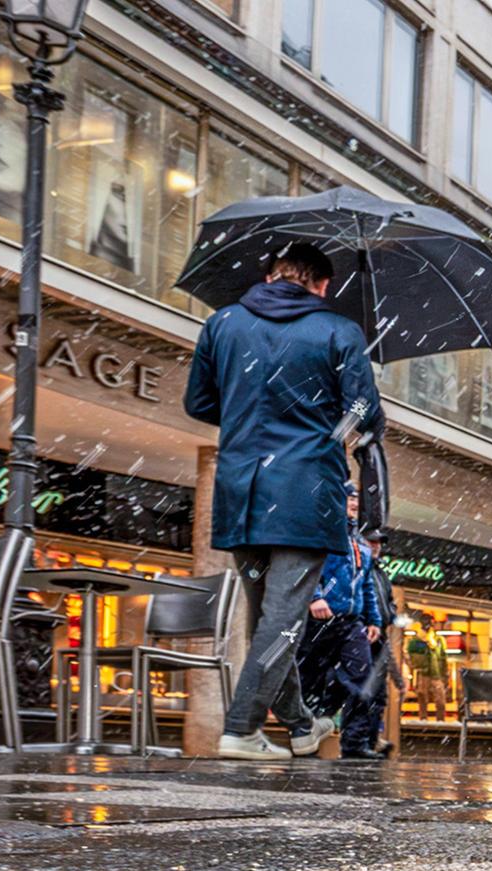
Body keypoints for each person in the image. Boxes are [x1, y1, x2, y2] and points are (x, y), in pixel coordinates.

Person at [185, 241, 380, 760]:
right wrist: (330, 431)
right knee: (283, 619)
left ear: (271, 275)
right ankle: (241, 728)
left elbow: (199, 402)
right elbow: (363, 410)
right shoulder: (338, 331)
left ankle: (298, 724)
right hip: (305, 495)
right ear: (322, 285)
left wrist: (254, 418)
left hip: (241, 493)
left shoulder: (222, 324)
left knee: (266, 616)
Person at [293, 495, 384, 758]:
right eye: (349, 497)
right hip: (321, 619)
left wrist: (373, 620)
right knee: (310, 677)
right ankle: (304, 734)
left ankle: (354, 742)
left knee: (363, 679)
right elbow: (309, 565)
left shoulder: (360, 545)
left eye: (357, 498)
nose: (355, 503)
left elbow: (366, 585)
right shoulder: (325, 532)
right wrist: (315, 596)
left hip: (350, 622)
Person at [336, 526, 399, 760]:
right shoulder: (360, 568)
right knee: (361, 688)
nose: (376, 546)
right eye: (371, 541)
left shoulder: (379, 573)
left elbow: (388, 602)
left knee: (378, 694)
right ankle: (354, 741)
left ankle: (368, 740)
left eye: (378, 542)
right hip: (361, 633)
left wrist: (388, 616)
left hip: (377, 635)